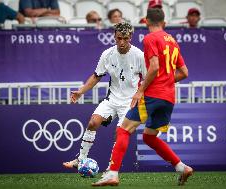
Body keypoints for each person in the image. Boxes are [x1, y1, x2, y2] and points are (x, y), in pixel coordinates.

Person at [92, 8, 192, 187]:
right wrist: (166, 80)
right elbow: (184, 72)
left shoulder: (150, 38)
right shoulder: (173, 41)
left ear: (146, 22)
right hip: (168, 98)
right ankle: (181, 167)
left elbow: (153, 67)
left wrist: (140, 90)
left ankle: (112, 174)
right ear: (165, 23)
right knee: (149, 137)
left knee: (123, 130)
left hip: (153, 95)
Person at [62, 22, 147, 171]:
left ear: (130, 37)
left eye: (125, 38)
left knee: (119, 133)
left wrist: (143, 97)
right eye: (119, 38)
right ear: (114, 36)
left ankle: (111, 169)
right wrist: (81, 91)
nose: (121, 42)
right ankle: (80, 159)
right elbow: (96, 76)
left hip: (130, 102)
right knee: (93, 122)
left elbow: (147, 80)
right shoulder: (107, 54)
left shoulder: (139, 55)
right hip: (111, 99)